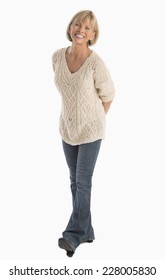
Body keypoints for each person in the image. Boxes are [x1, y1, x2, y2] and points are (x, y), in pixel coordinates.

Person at [52, 10, 115, 257]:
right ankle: (87, 231)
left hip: (91, 131)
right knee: (74, 181)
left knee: (83, 182)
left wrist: (93, 120)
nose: (82, 29)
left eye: (88, 28)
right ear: (70, 28)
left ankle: (73, 235)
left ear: (93, 35)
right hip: (67, 128)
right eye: (78, 24)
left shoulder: (95, 63)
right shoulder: (57, 57)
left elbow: (108, 95)